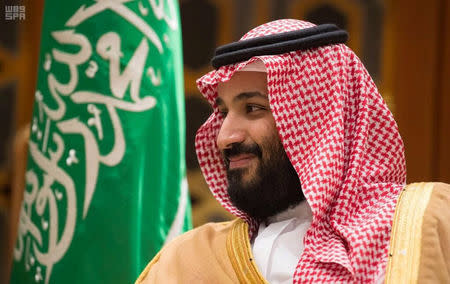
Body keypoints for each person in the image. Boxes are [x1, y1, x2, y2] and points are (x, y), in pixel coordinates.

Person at [136, 19, 450, 283]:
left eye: (253, 108)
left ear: (320, 118)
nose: (224, 137)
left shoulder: (429, 222)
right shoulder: (183, 263)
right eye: (222, 113)